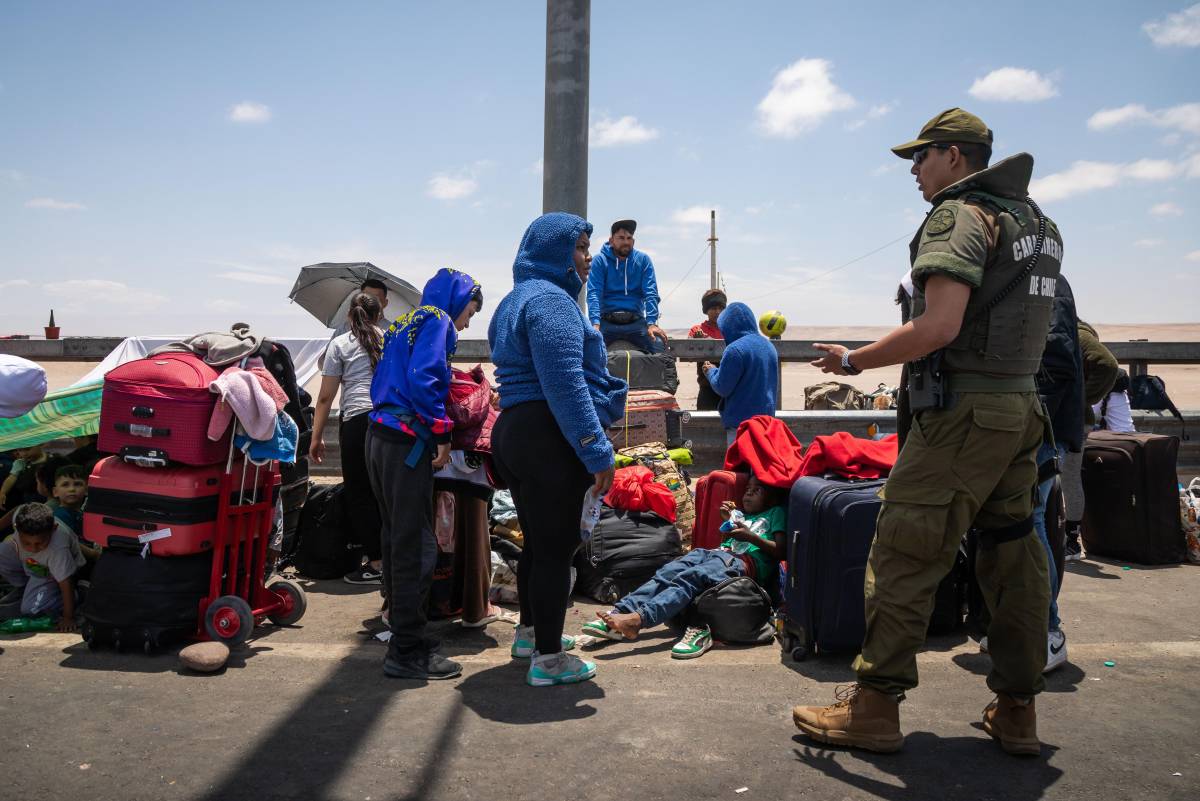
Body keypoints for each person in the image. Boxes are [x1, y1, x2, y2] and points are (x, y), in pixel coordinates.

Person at [792, 108, 1063, 756]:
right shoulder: (1037, 223)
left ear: (954, 156)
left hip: (964, 418)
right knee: (1012, 551)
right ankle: (1018, 709)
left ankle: (875, 707)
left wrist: (854, 361)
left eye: (921, 156)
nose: (914, 170)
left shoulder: (960, 215)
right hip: (1019, 410)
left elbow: (939, 325)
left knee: (904, 548)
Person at [489, 212, 628, 687]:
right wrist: (597, 451)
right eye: (581, 248)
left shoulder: (514, 300)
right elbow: (565, 385)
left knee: (538, 543)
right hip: (548, 434)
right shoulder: (552, 302)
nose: (588, 258)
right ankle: (549, 661)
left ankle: (532, 635)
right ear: (555, 252)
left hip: (516, 431)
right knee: (556, 550)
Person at [366, 267, 483, 681]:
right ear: (457, 301)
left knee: (396, 539)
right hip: (406, 444)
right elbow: (425, 379)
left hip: (378, 437)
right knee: (417, 547)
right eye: (469, 312)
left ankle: (407, 636)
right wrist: (442, 431)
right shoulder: (438, 320)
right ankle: (406, 651)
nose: (466, 323)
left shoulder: (404, 322)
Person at [580, 475, 786, 659]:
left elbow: (780, 550)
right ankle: (621, 611)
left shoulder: (775, 512)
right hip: (718, 553)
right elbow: (728, 542)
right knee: (668, 572)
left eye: (757, 490)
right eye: (747, 489)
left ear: (771, 498)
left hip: (744, 561)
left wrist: (750, 536)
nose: (748, 493)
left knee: (692, 577)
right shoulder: (741, 515)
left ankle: (638, 620)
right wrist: (728, 522)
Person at [311, 291, 387, 585]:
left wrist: (316, 437)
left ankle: (377, 564)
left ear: (349, 317)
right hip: (388, 422)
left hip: (356, 422)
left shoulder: (340, 344)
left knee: (360, 493)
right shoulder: (389, 340)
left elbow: (325, 397)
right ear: (379, 315)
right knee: (385, 491)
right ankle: (393, 558)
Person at [1066, 320, 1120, 560]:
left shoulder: (1076, 333)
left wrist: (1079, 400)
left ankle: (1070, 541)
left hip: (1072, 420)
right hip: (1066, 418)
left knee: (1068, 478)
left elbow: (1108, 365)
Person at [700, 302, 779, 446]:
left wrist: (711, 371)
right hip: (766, 423)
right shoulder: (769, 346)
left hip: (741, 426)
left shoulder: (735, 350)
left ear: (728, 327)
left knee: (740, 460)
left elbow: (722, 387)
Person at [0, 503, 85, 631]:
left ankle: (78, 594)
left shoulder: (58, 549)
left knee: (30, 610)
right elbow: (16, 510)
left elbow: (66, 582)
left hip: (54, 575)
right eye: (26, 543)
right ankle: (25, 588)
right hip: (33, 566)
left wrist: (68, 617)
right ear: (16, 527)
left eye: (39, 543)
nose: (33, 548)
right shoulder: (23, 518)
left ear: (54, 529)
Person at [587, 219, 667, 354]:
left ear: (633, 241)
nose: (626, 242)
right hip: (607, 322)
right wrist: (595, 323)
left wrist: (652, 323)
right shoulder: (599, 260)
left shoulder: (643, 260)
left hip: (636, 322)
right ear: (611, 241)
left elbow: (651, 293)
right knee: (589, 346)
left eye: (629, 238)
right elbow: (594, 293)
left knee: (658, 343)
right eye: (621, 238)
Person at [689, 289, 727, 411]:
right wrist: (697, 341)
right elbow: (688, 354)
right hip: (707, 388)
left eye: (720, 308)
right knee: (705, 420)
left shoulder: (730, 329)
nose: (718, 312)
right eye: (713, 308)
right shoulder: (697, 330)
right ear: (706, 310)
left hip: (730, 387)